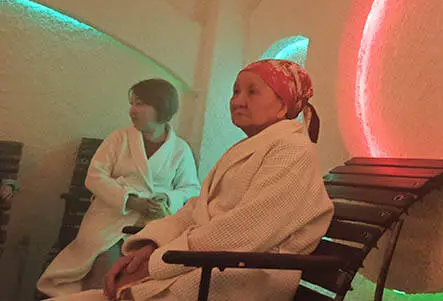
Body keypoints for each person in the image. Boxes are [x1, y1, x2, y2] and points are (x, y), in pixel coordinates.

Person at [45, 59, 334, 301]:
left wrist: (155, 264)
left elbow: (245, 230)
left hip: (235, 277)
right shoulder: (248, 148)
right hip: (198, 264)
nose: (237, 100)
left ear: (283, 105)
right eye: (235, 91)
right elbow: (196, 208)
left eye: (252, 92)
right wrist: (150, 246)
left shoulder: (293, 151)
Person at [38, 79, 201, 297]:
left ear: (161, 106)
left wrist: (166, 198)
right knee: (105, 267)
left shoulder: (180, 149)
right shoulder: (118, 139)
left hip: (154, 224)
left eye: (140, 103)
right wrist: (130, 200)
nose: (132, 110)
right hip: (110, 217)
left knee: (148, 274)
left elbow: (191, 189)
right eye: (131, 104)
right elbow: (94, 177)